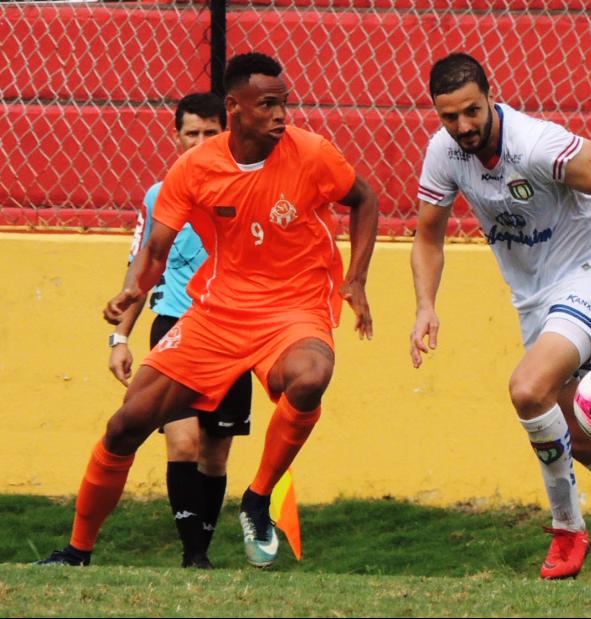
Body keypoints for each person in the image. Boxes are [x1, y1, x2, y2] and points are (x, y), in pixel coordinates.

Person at [38, 52, 378, 568]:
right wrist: (134, 289)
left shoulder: (312, 153)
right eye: (268, 104)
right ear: (235, 107)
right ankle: (77, 551)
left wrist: (355, 279)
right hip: (220, 311)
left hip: (295, 306)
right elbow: (155, 249)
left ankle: (258, 498)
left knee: (310, 377)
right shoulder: (195, 168)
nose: (281, 115)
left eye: (284, 103)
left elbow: (365, 198)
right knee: (126, 424)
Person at [410, 53, 591, 584]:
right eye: (448, 117)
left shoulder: (540, 145)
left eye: (472, 111)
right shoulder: (444, 153)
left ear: (490, 96)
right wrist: (426, 305)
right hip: (537, 300)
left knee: (526, 389)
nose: (463, 127)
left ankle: (567, 527)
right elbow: (428, 235)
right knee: (584, 438)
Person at [108, 92, 253, 569]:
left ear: (226, 134)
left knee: (215, 453)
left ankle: (203, 551)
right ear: (177, 137)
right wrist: (120, 338)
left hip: (233, 332)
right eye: (191, 132)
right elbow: (141, 268)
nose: (200, 141)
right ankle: (193, 555)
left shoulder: (249, 188)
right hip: (175, 326)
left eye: (211, 133)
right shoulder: (158, 196)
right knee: (183, 441)